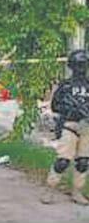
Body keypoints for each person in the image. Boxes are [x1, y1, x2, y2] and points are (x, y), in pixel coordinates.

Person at [41, 50, 89, 206]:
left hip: (86, 127)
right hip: (69, 125)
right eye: (78, 65)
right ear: (72, 66)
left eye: (83, 65)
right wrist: (70, 110)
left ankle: (77, 191)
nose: (81, 69)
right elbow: (55, 106)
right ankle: (49, 189)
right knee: (63, 161)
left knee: (83, 162)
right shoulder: (65, 86)